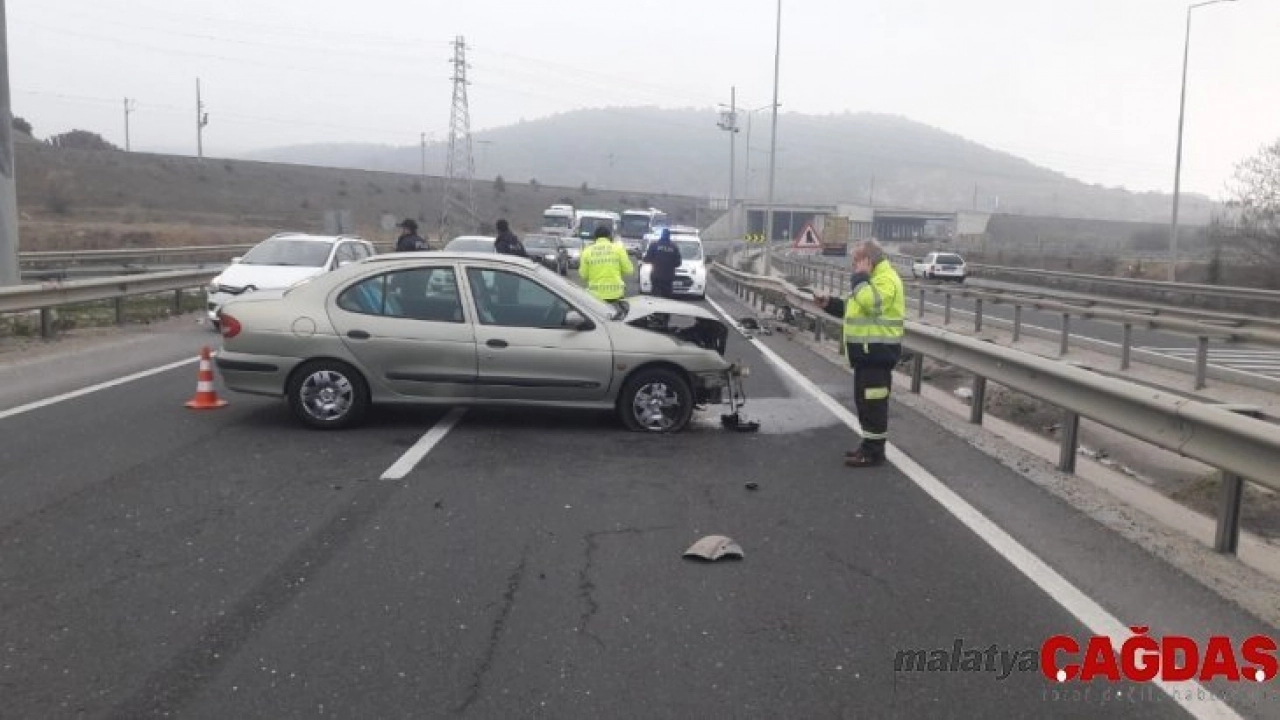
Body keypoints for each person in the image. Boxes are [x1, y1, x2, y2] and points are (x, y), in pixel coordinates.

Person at [813, 239, 905, 468]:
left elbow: (871, 304)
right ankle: (868, 446)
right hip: (866, 354)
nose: (853, 267)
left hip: (877, 354)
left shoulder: (886, 279)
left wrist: (860, 278)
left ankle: (874, 452)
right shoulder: (871, 280)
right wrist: (829, 304)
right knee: (864, 403)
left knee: (873, 405)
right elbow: (854, 308)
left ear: (868, 261)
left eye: (856, 262)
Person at [578, 225, 633, 303]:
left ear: (595, 237)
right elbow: (629, 270)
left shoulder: (587, 251)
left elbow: (583, 275)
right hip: (615, 294)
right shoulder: (618, 249)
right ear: (609, 236)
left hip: (595, 295)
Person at [642, 228, 682, 298]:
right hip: (668, 277)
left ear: (661, 235)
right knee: (667, 298)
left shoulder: (654, 245)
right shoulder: (674, 247)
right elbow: (678, 263)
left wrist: (654, 260)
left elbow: (647, 259)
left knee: (655, 296)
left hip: (656, 276)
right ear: (669, 236)